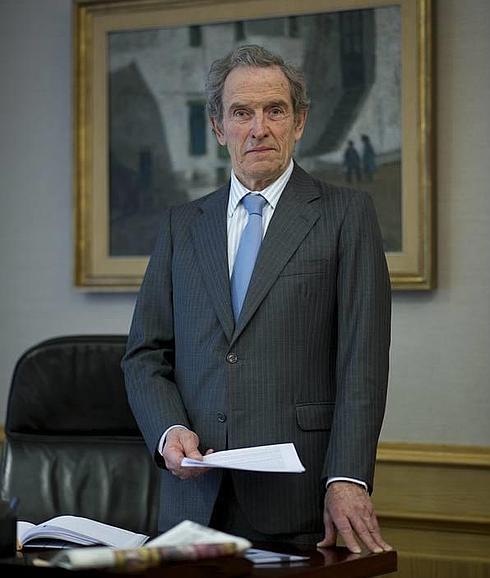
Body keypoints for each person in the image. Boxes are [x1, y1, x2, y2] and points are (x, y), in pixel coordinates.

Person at [122, 45, 391, 554]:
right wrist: (168, 429)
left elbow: (364, 361)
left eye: (275, 110)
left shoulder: (346, 214)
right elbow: (145, 354)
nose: (258, 128)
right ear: (219, 127)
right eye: (242, 112)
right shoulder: (182, 224)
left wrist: (347, 477)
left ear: (299, 122)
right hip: (192, 496)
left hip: (299, 497)